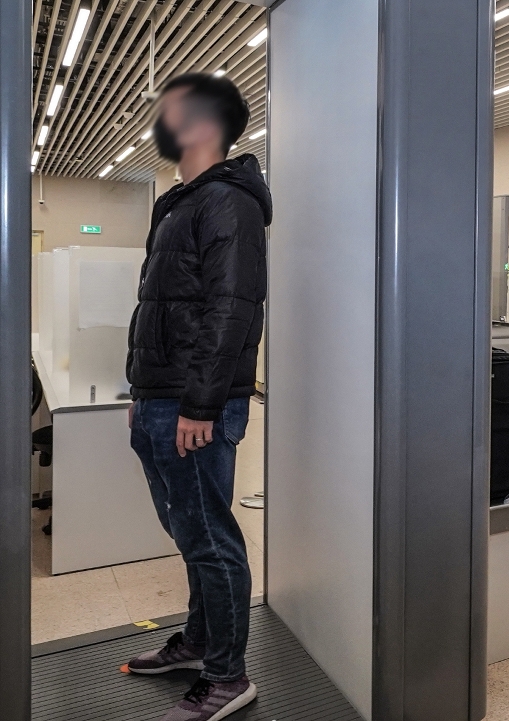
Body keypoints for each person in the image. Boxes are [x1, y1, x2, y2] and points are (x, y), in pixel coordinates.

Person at [122, 72, 270, 721]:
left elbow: (231, 311)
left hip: (195, 404)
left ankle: (228, 676)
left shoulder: (229, 203)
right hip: (162, 396)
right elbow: (157, 308)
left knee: (211, 537)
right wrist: (142, 388)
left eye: (171, 111)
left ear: (204, 125)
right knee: (189, 530)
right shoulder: (181, 202)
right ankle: (201, 641)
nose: (159, 119)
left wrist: (200, 404)